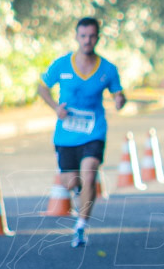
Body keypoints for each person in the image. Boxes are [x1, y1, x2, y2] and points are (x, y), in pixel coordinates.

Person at [38, 17, 126, 248]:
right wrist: (55, 107)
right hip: (66, 134)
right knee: (69, 182)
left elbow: (118, 92)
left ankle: (81, 226)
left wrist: (119, 99)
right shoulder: (61, 64)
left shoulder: (108, 69)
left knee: (89, 172)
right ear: (77, 37)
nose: (87, 40)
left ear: (98, 37)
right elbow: (42, 86)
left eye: (92, 36)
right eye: (83, 36)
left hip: (93, 131)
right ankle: (80, 189)